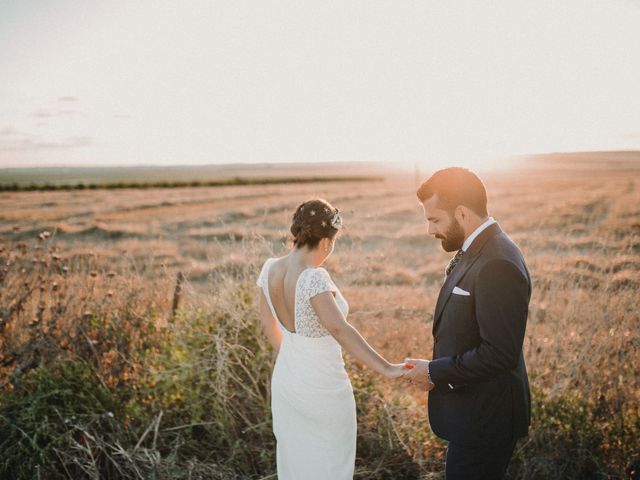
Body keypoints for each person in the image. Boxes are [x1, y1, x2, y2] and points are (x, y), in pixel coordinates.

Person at [256, 198, 405, 480]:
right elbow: (339, 329)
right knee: (330, 465)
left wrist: (292, 355)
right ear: (326, 242)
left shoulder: (269, 269)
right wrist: (387, 368)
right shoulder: (314, 277)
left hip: (288, 379)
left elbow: (267, 322)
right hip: (323, 386)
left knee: (296, 461)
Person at [403, 167, 532, 479]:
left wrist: (434, 371)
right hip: (473, 413)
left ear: (460, 213)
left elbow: (499, 354)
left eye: (434, 220)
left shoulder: (497, 262)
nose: (429, 230)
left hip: (487, 419)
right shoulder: (479, 249)